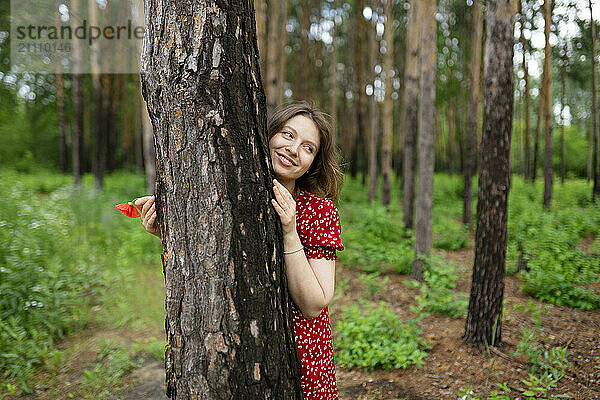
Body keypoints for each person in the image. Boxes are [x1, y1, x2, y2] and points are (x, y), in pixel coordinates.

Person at [135, 101, 344, 399]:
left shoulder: (318, 210)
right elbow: (215, 265)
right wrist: (170, 235)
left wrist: (289, 230)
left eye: (308, 148)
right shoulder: (230, 193)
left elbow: (314, 304)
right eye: (287, 134)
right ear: (267, 135)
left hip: (301, 356)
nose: (294, 149)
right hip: (237, 347)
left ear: (313, 163)